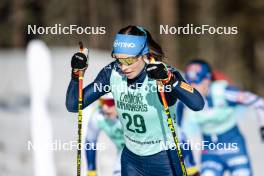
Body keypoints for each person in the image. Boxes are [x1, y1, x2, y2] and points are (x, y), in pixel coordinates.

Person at [66, 25, 204, 176]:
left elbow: (198, 104)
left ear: (144, 54)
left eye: (130, 60)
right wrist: (76, 74)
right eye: (119, 59)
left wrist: (170, 81)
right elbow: (74, 105)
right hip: (132, 160)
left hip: (165, 160)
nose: (124, 67)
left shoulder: (162, 73)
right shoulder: (112, 73)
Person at [177, 59, 264, 176]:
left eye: (197, 82)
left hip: (234, 146)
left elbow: (258, 102)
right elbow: (179, 131)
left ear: (207, 79)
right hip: (210, 150)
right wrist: (189, 166)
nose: (193, 87)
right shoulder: (185, 100)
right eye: (189, 83)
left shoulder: (224, 92)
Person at [85, 93, 124, 176]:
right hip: (123, 154)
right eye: (102, 103)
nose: (105, 108)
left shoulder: (132, 114)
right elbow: (90, 141)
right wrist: (91, 171)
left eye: (109, 103)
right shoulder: (98, 117)